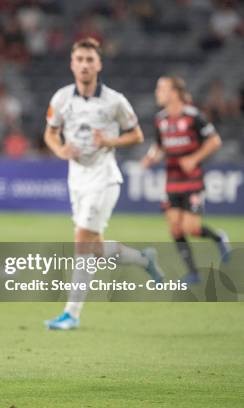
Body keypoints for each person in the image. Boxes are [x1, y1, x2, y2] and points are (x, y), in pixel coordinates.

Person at [43, 38, 164, 331]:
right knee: (94, 247)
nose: (85, 64)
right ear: (72, 64)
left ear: (99, 64)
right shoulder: (61, 98)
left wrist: (110, 140)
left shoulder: (114, 100)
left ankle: (72, 313)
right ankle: (142, 258)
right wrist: (60, 150)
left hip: (104, 178)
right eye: (80, 59)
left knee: (82, 241)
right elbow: (50, 133)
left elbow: (136, 135)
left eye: (90, 60)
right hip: (77, 179)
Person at [142, 76, 230, 283]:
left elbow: (214, 141)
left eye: (161, 88)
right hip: (172, 180)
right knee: (175, 227)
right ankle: (193, 273)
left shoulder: (193, 116)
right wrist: (151, 157)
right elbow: (159, 145)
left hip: (192, 180)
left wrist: (194, 158)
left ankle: (218, 238)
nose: (157, 92)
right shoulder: (160, 119)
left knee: (191, 228)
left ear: (174, 92)